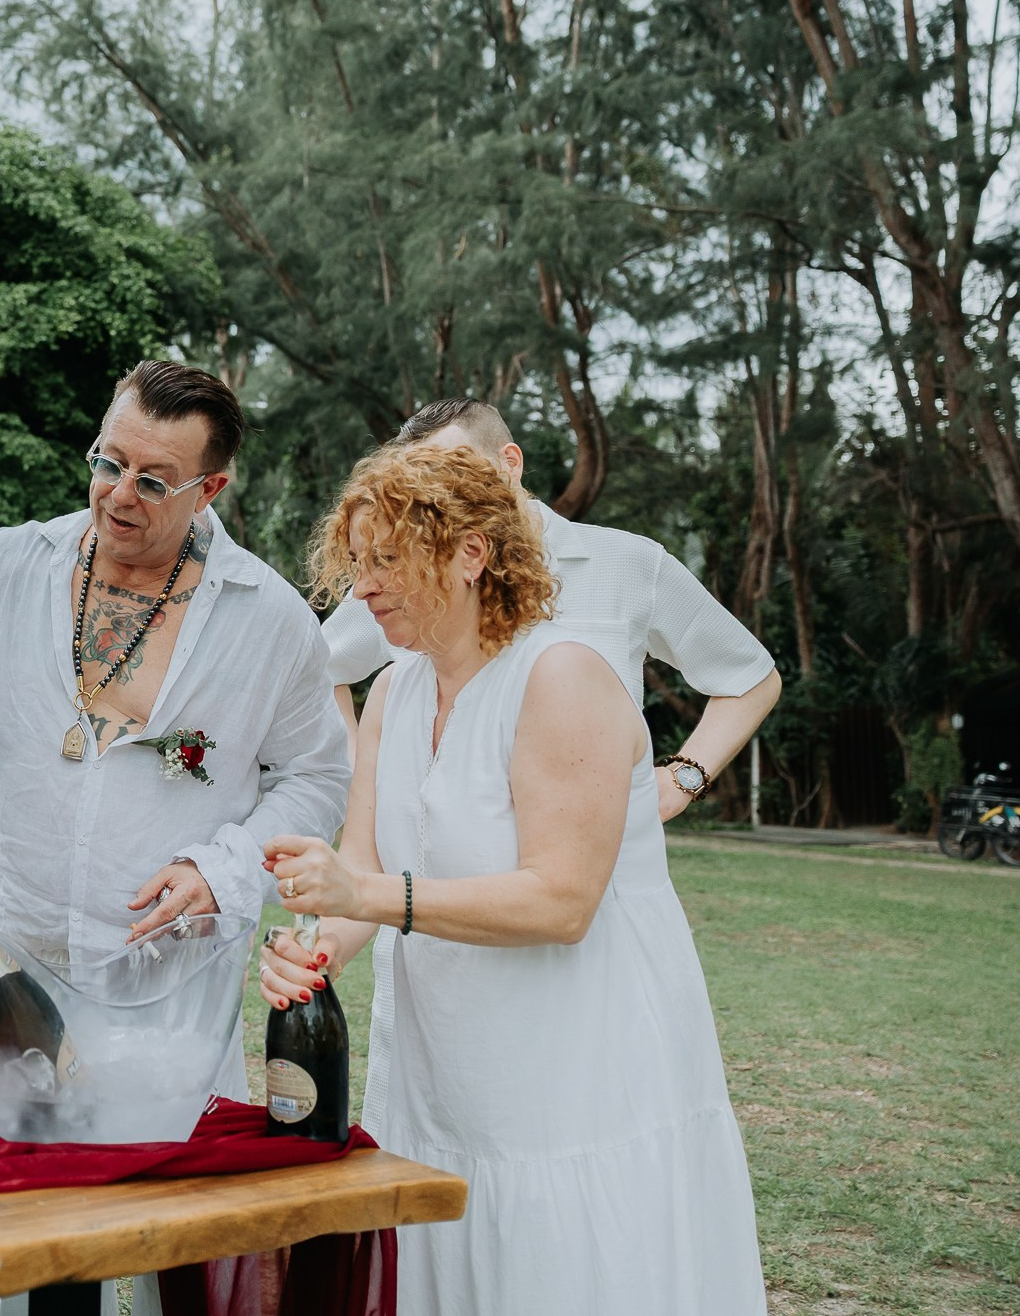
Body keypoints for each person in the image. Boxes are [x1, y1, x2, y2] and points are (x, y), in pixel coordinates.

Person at [262, 442, 764, 1314]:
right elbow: (365, 870)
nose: (366, 585)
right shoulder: (393, 692)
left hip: (571, 1069)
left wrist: (365, 897)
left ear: (471, 553)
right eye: (357, 562)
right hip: (442, 1065)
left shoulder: (562, 675)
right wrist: (316, 948)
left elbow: (562, 899)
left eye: (389, 558)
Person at [0, 361, 348, 1079]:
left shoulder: (271, 621)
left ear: (210, 489)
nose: (117, 493)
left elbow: (318, 779)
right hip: (18, 995)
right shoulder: (15, 567)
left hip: (173, 1006)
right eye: (108, 461)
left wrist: (225, 868)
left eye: (152, 479)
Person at [323, 397, 781, 1134]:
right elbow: (326, 668)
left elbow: (748, 674)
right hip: (441, 925)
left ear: (508, 466)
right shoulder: (403, 616)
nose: (370, 579)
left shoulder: (623, 567)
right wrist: (372, 779)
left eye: (448, 471)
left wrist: (681, 777)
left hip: (581, 918)